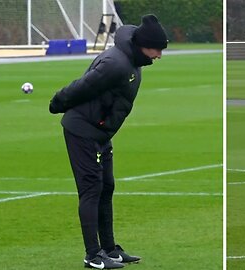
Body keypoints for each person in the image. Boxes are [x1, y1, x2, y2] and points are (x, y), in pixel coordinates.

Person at [49, 14, 168, 269]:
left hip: (100, 133)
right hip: (82, 130)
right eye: (156, 49)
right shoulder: (116, 63)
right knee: (91, 189)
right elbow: (83, 86)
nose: (159, 55)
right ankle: (92, 255)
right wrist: (58, 102)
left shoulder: (133, 61)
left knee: (107, 187)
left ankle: (110, 250)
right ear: (142, 45)